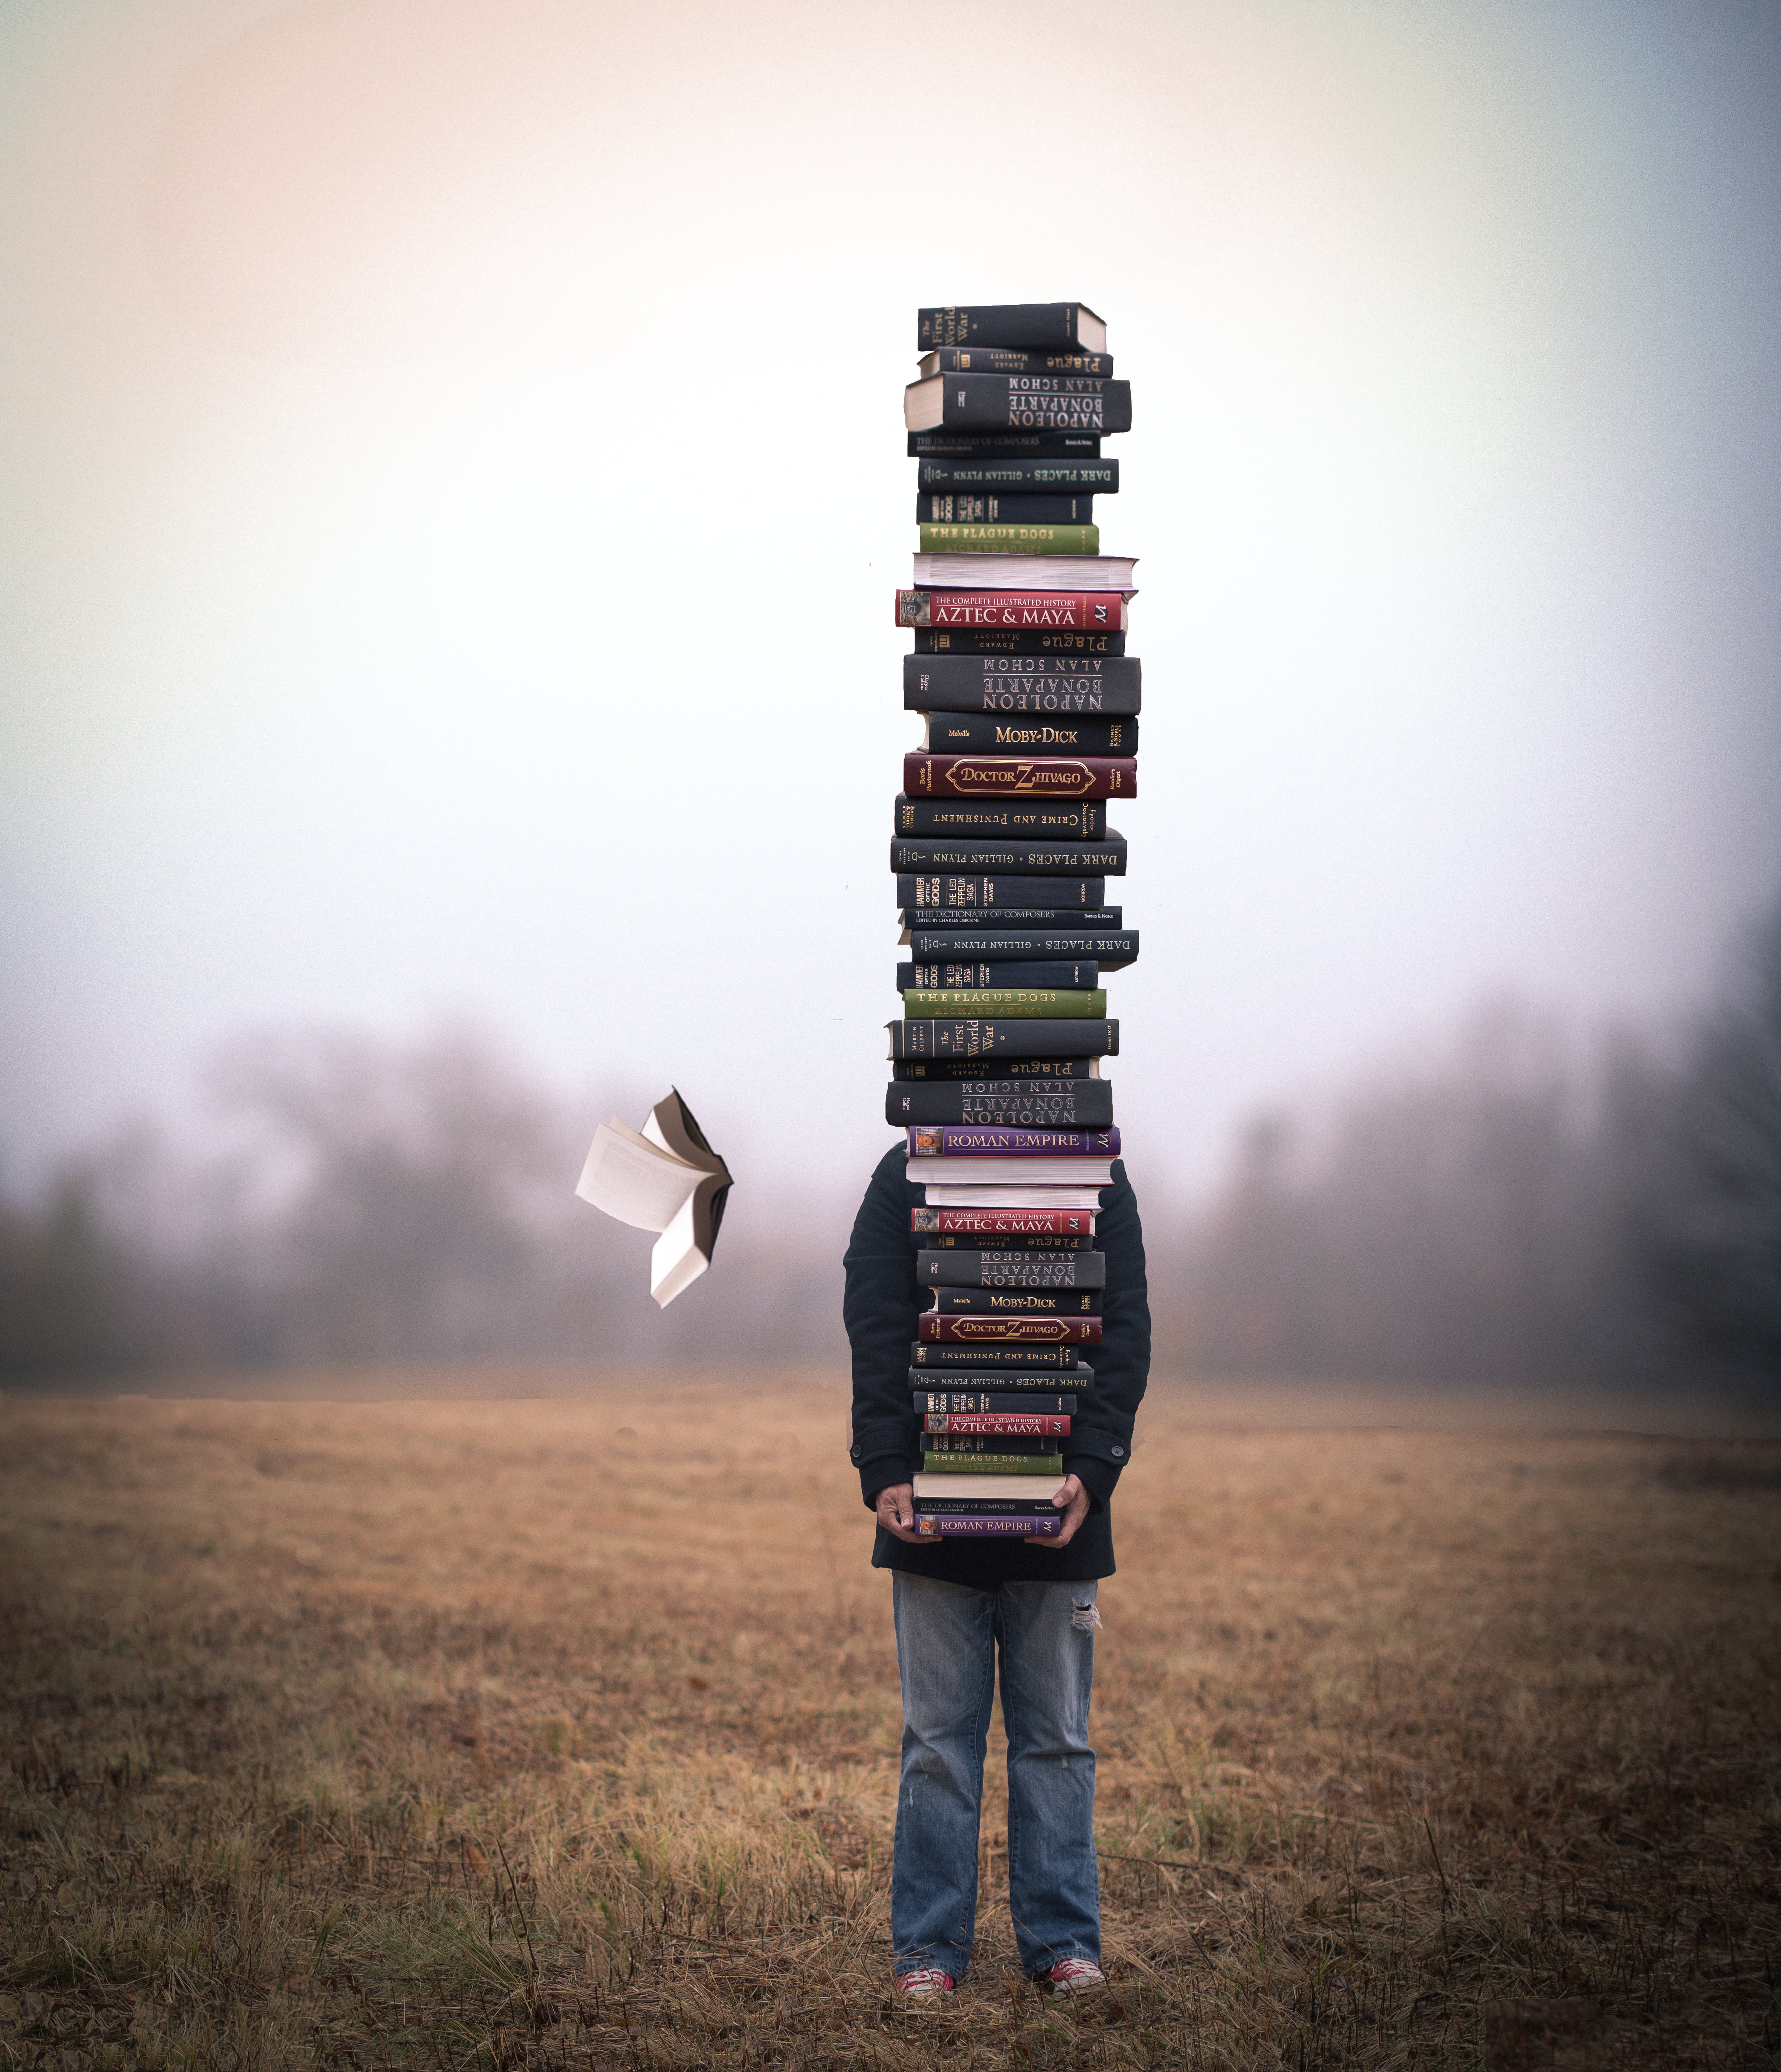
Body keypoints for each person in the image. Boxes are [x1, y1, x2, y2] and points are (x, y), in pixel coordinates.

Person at [843, 1142, 1151, 2004]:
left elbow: (1123, 1323)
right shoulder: (907, 1171)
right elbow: (875, 1316)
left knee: (1055, 1738)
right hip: (933, 1508)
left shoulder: (1095, 1175)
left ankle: (1061, 1943)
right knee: (936, 1745)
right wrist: (886, 1463)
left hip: (1061, 1507)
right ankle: (927, 1953)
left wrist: (1091, 1469)